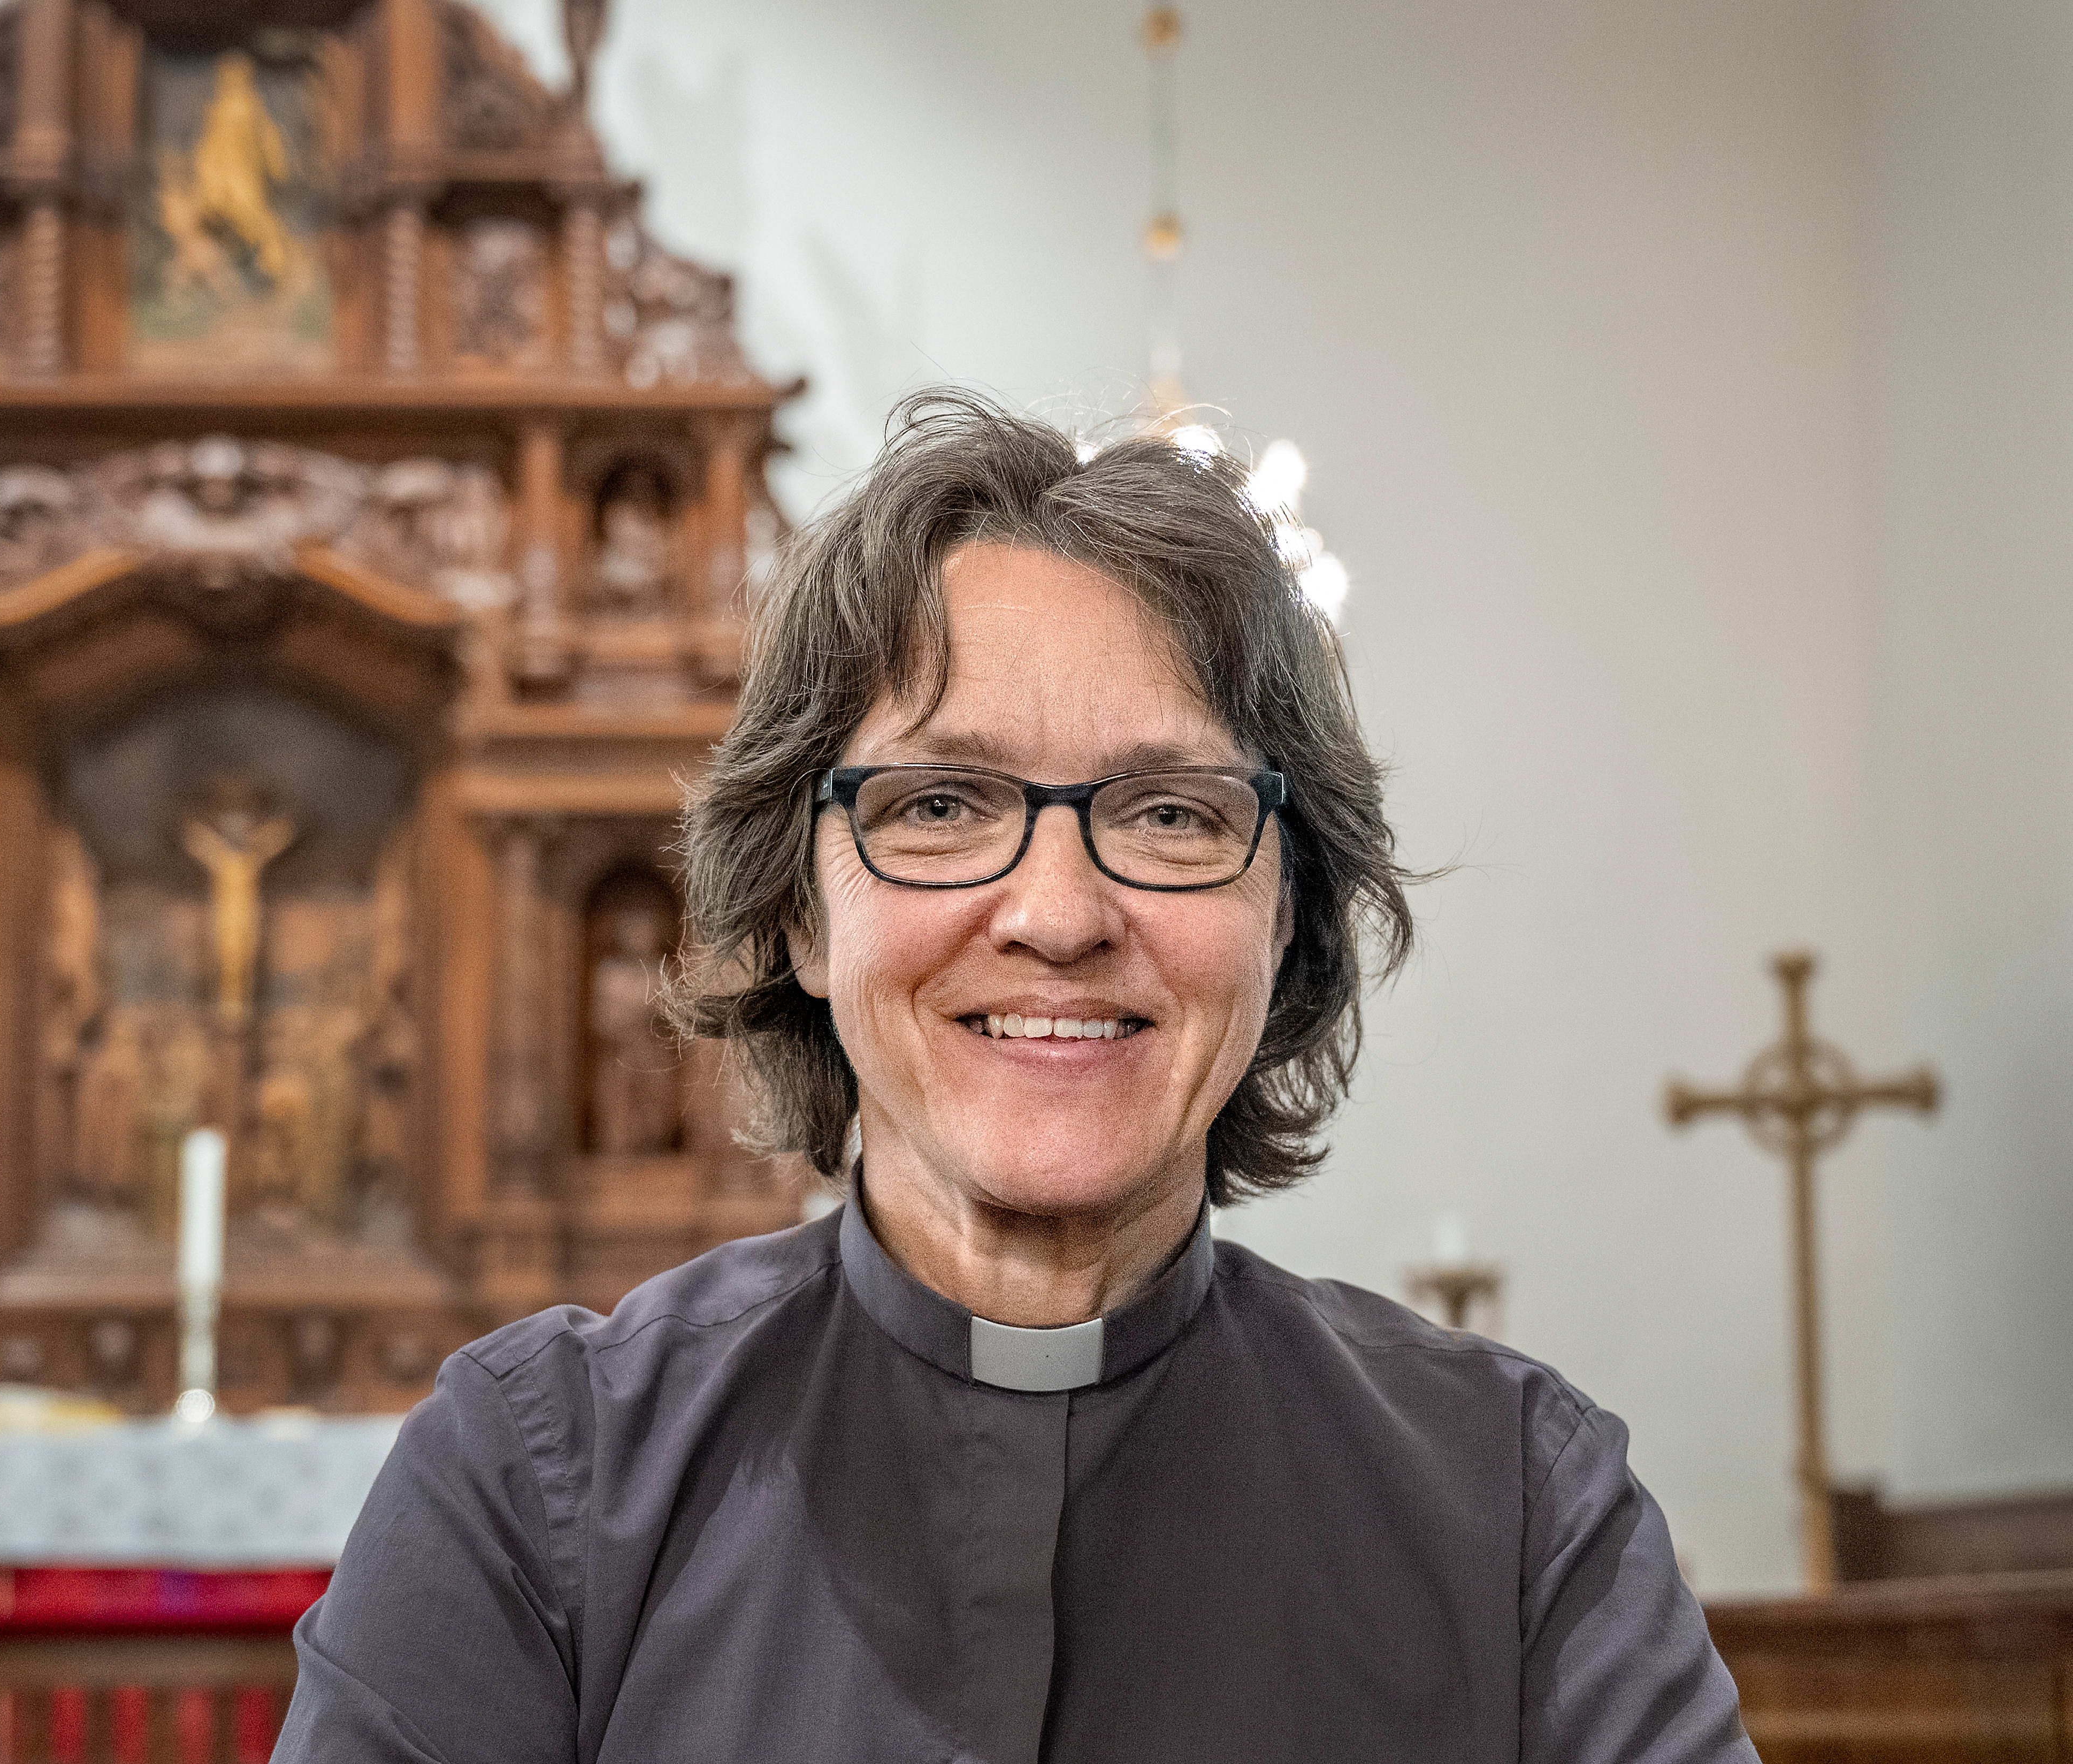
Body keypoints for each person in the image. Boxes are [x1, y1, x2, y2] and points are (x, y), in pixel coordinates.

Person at [278, 391, 1755, 1762]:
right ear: (801, 914)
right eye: (940, 803)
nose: (1058, 913)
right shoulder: (539, 1477)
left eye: (1172, 813)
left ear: (1286, 913)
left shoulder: (1516, 1503)